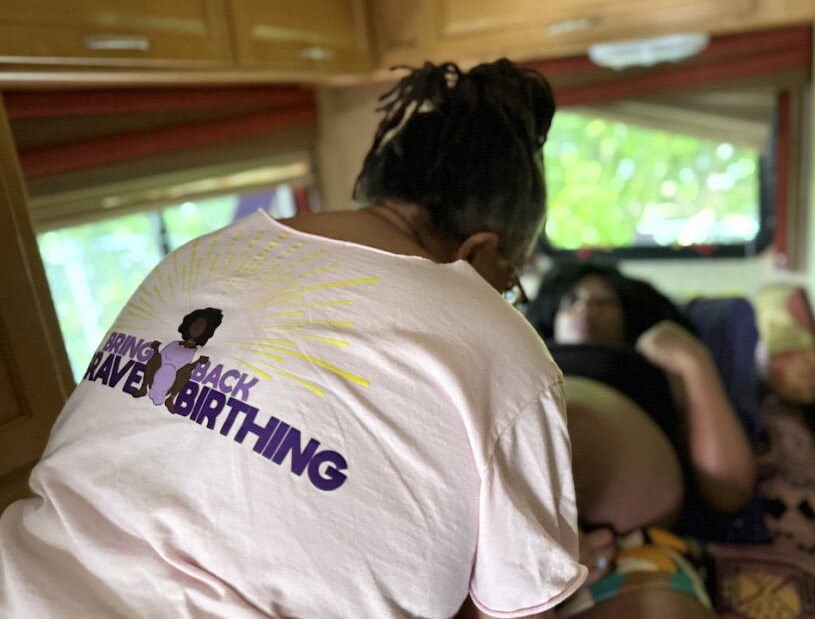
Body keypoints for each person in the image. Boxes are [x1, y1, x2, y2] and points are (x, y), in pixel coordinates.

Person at [0, 60, 587, 618]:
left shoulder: (199, 254)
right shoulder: (499, 344)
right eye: (510, 280)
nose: (505, 300)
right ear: (481, 250)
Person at [525, 260, 759, 618]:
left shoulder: (654, 367)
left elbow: (729, 489)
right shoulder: (525, 354)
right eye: (571, 299)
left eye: (605, 301)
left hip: (623, 552)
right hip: (497, 547)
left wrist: (694, 362)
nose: (585, 306)